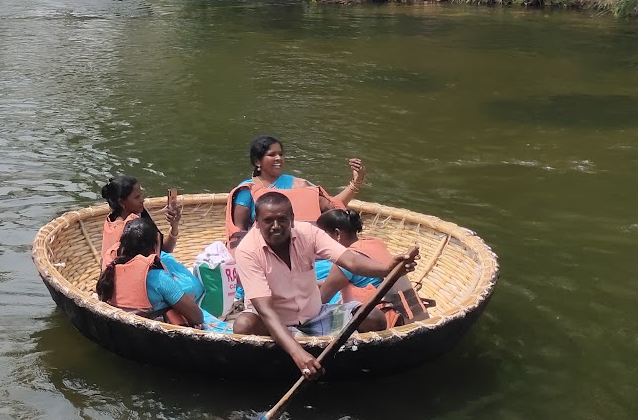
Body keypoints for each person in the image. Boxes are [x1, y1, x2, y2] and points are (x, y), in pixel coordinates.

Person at [231, 191, 415, 375]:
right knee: (244, 324)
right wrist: (297, 353)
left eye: (282, 219)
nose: (276, 226)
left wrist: (388, 269)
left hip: (315, 316)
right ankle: (271, 367)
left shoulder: (308, 233)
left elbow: (350, 260)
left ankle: (351, 365)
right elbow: (265, 310)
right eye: (268, 221)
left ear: (292, 219)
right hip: (274, 324)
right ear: (257, 222)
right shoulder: (248, 251)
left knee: (373, 318)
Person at [225, 135, 365, 248]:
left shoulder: (298, 184)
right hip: (264, 249)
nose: (278, 158)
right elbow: (239, 231)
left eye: (280, 154)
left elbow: (334, 208)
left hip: (305, 247)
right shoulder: (247, 190)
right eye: (272, 154)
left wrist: (356, 182)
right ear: (257, 162)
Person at [94, 214, 225, 329]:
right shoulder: (158, 278)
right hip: (149, 333)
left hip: (122, 327)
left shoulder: (111, 267)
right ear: (154, 247)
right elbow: (197, 317)